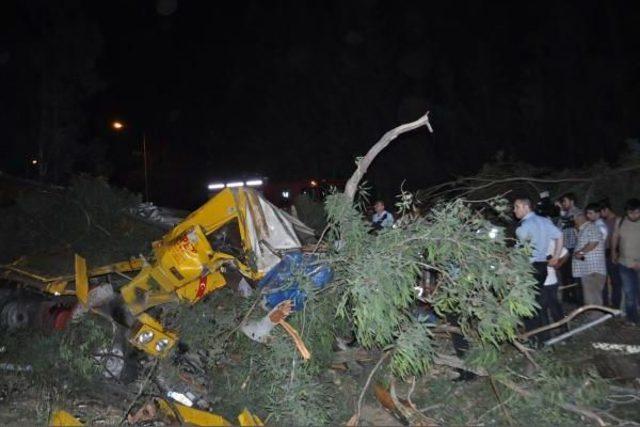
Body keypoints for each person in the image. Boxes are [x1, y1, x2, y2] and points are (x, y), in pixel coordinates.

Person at [513, 197, 563, 340]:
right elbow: (559, 235)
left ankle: (535, 339)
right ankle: (543, 337)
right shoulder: (544, 221)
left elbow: (520, 252)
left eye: (516, 207)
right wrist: (556, 256)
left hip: (528, 268)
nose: (514, 210)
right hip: (542, 267)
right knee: (537, 303)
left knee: (528, 305)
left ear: (525, 207)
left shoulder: (524, 227)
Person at [612, 198, 640, 324]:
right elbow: (615, 236)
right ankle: (632, 318)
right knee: (629, 293)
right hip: (624, 263)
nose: (634, 215)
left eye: (637, 212)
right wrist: (613, 251)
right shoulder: (620, 221)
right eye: (631, 212)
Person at [572, 212, 607, 314]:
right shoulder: (584, 230)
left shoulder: (592, 227)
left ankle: (596, 320)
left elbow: (594, 242)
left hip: (593, 269)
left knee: (593, 296)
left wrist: (581, 252)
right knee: (590, 295)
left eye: (574, 219)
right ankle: (594, 319)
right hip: (587, 269)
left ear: (579, 218)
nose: (573, 221)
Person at [557, 193, 582, 304]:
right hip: (564, 249)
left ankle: (578, 298)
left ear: (571, 201)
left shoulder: (578, 213)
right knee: (565, 275)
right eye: (562, 202)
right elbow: (558, 228)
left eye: (564, 201)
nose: (563, 204)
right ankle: (568, 297)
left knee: (574, 275)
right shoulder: (564, 214)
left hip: (574, 248)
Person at [600, 199, 622, 308]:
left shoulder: (618, 220)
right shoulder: (601, 221)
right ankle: (605, 303)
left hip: (614, 253)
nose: (600, 214)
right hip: (602, 254)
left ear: (606, 209)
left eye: (601, 212)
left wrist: (615, 252)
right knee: (603, 281)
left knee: (615, 281)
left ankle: (616, 304)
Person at [542, 241, 568, 325]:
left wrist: (558, 264)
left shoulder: (549, 241)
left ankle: (563, 330)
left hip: (550, 281)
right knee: (542, 311)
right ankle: (546, 335)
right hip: (535, 283)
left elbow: (565, 253)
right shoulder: (524, 241)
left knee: (555, 308)